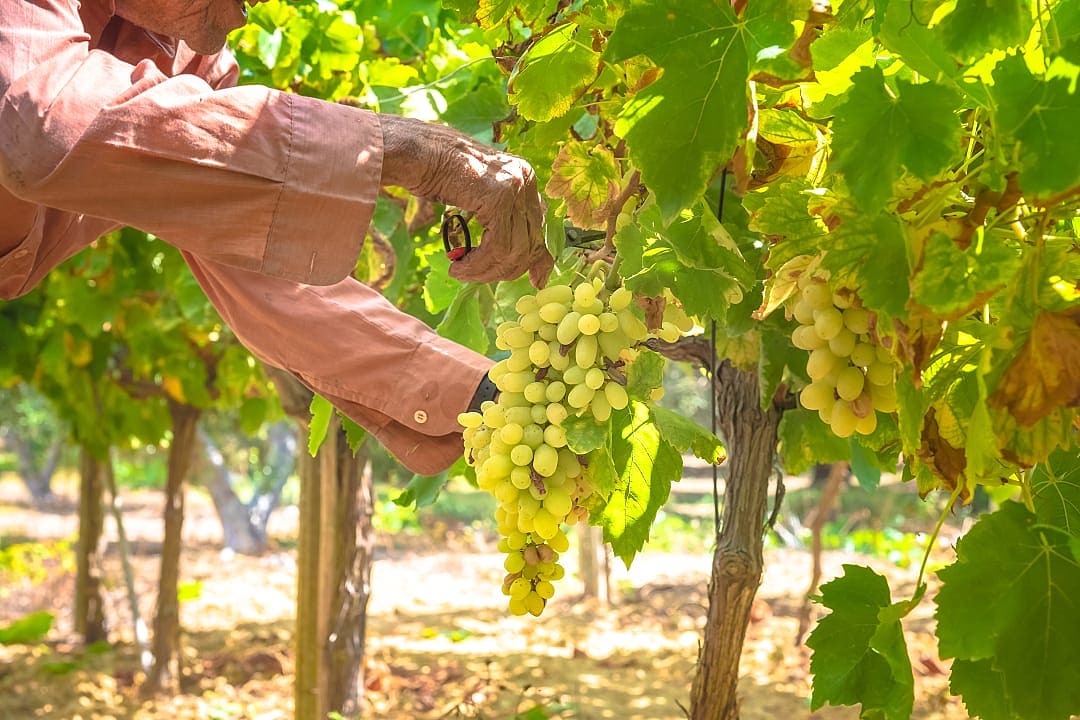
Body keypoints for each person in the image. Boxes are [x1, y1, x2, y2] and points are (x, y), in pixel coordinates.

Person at [0, 0, 553, 475]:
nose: (254, 8)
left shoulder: (192, 61)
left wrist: (479, 394)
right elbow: (43, 122)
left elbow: (268, 280)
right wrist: (408, 153)